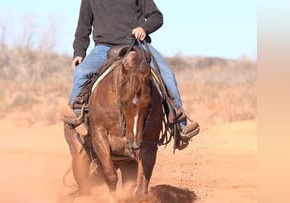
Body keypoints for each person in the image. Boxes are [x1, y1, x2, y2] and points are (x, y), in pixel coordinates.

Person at [67, 0, 199, 148]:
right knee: (81, 72)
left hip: (137, 45)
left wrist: (144, 28)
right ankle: (77, 113)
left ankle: (180, 124)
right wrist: (79, 52)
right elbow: (83, 28)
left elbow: (157, 17)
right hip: (104, 47)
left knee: (167, 74)